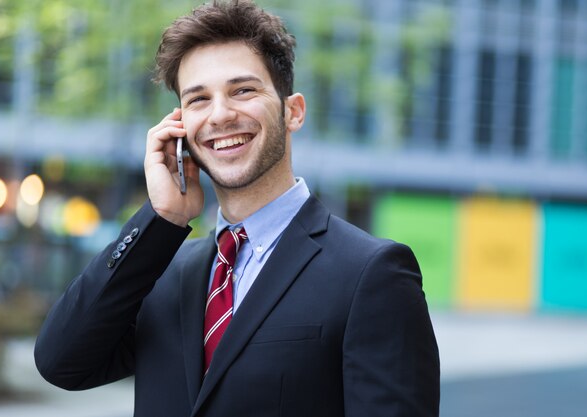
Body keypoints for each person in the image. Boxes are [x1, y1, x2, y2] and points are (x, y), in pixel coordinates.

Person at [34, 1, 440, 416]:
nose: (221, 115)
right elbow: (61, 363)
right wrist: (161, 220)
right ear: (180, 128)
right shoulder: (162, 272)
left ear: (292, 111)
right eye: (198, 99)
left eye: (243, 90)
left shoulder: (372, 273)